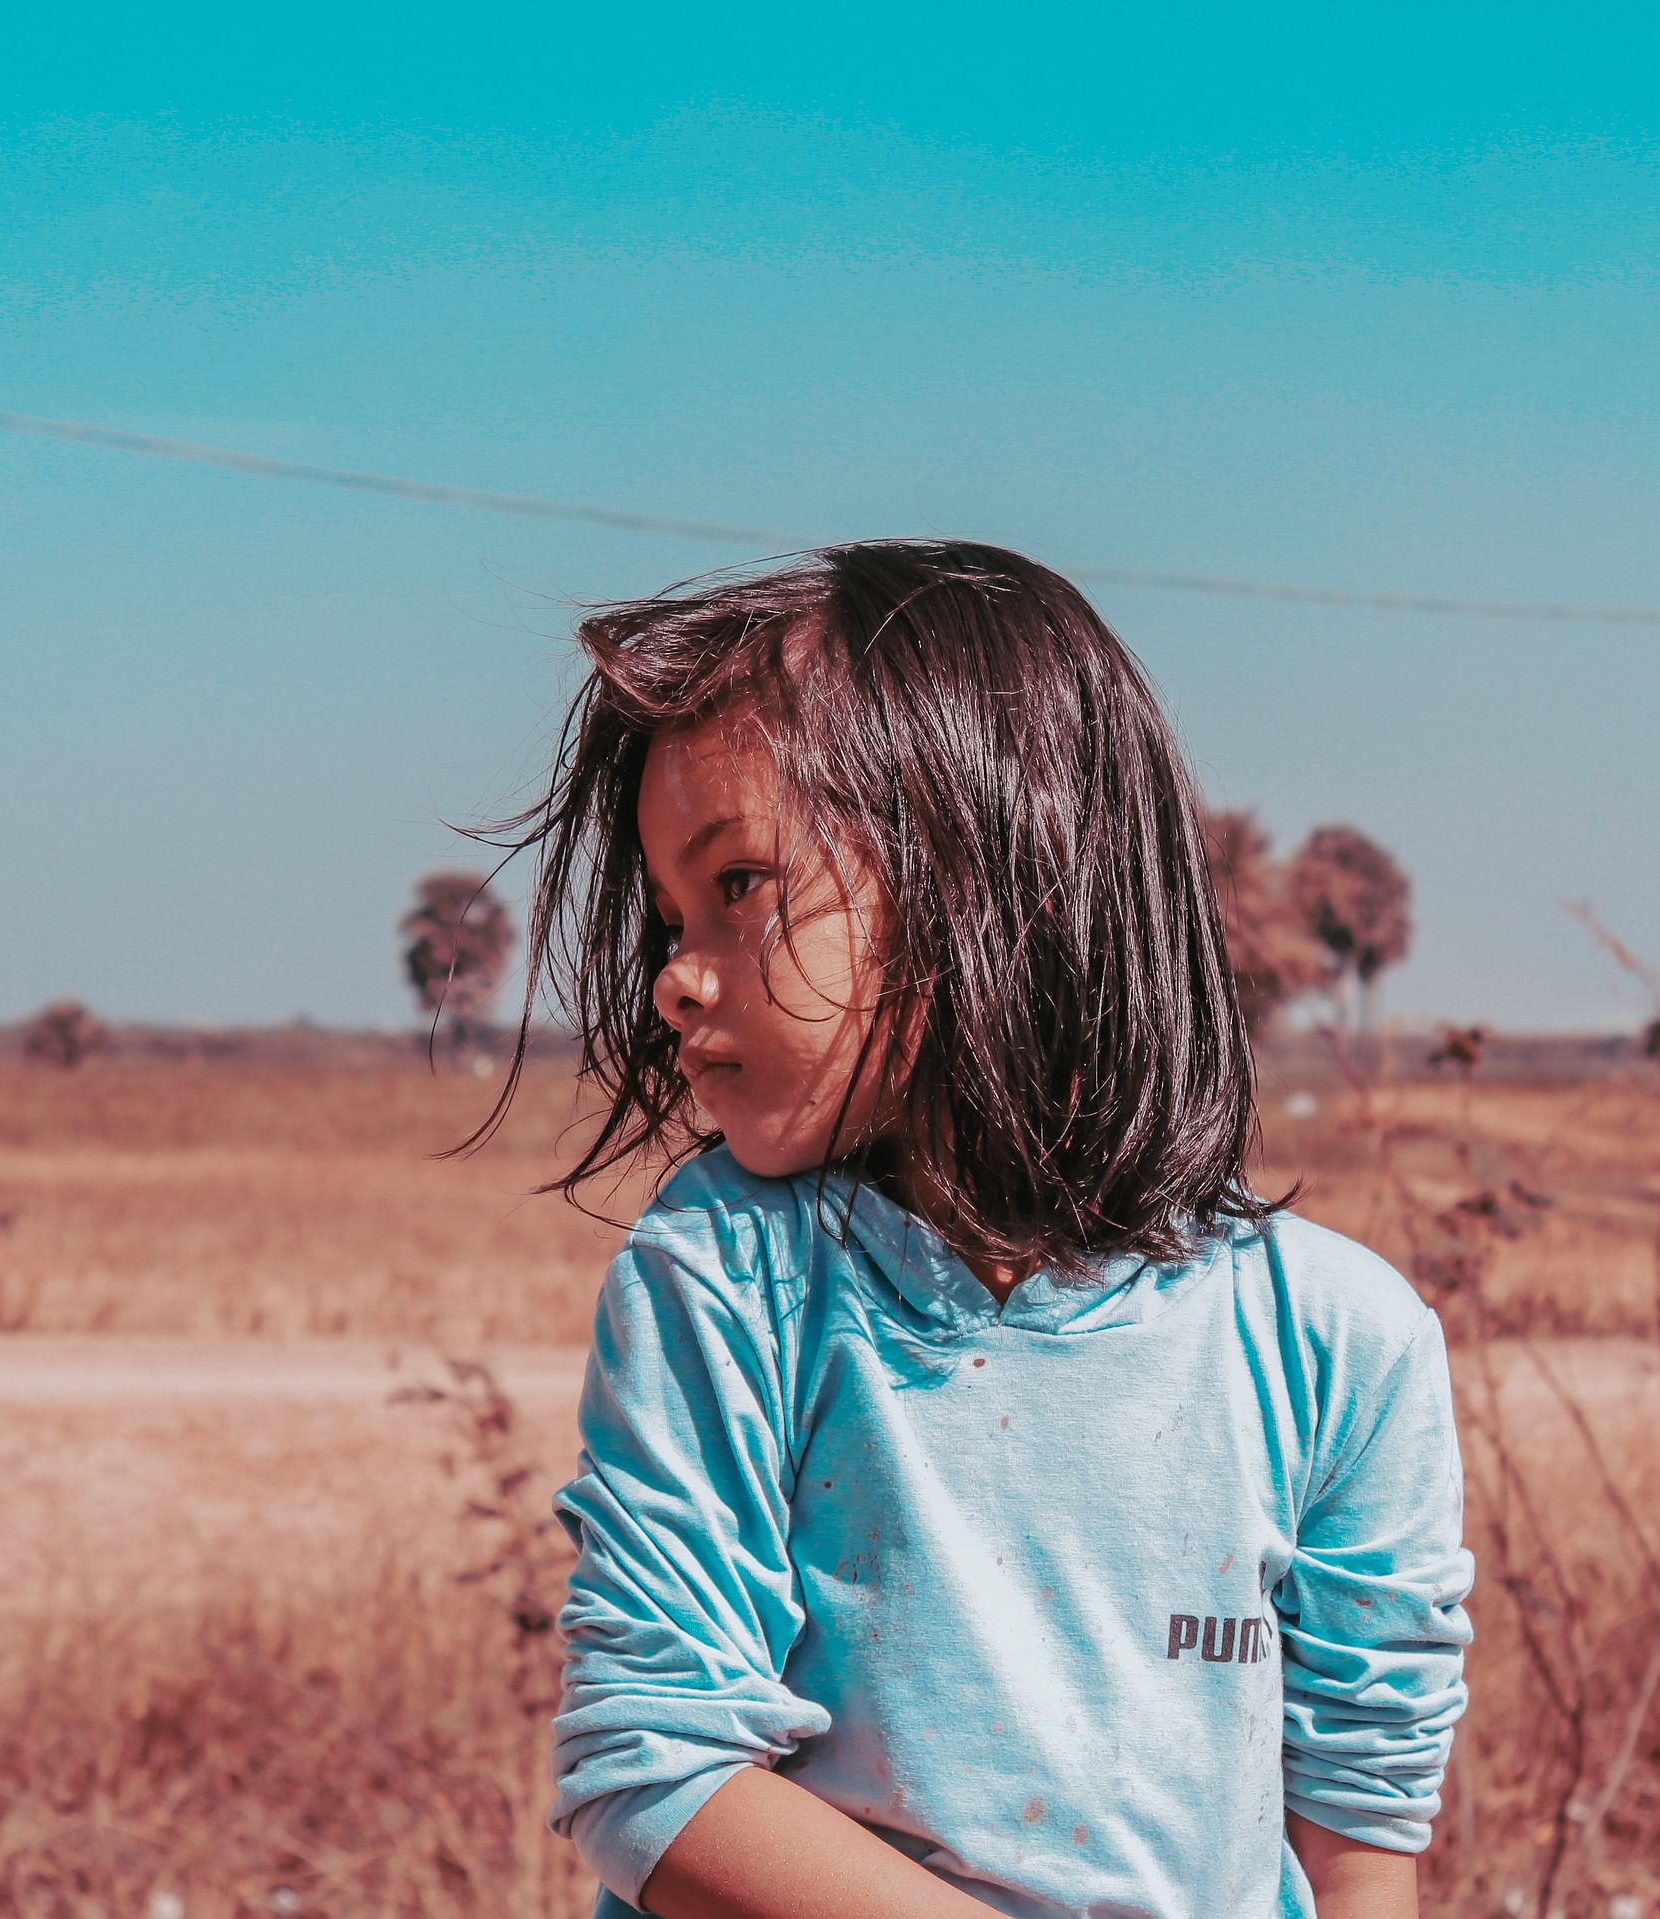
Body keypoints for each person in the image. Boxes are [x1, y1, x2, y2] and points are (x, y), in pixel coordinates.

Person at [464, 539, 1475, 1918]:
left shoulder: (1334, 1343)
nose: (675, 981)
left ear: (1002, 863)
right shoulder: (731, 1280)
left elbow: (1361, 1820)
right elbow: (655, 1769)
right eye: (668, 918)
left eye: (742, 884)